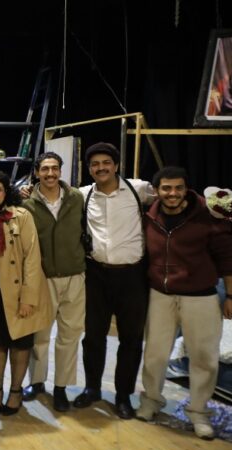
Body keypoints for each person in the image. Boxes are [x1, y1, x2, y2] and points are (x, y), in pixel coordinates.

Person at [136, 166, 232, 439]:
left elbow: (228, 257)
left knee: (204, 357)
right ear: (157, 191)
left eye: (178, 188)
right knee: (155, 354)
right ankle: (151, 400)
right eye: (166, 188)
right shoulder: (148, 217)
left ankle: (198, 411)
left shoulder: (208, 214)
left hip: (201, 296)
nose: (173, 193)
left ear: (186, 189)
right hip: (160, 295)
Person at [74, 142, 155, 420]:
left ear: (117, 165)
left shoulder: (138, 189)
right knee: (93, 336)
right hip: (96, 275)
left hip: (133, 276)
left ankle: (123, 395)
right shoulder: (83, 194)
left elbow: (170, 197)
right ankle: (92, 388)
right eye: (95, 164)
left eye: (106, 162)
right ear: (89, 169)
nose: (101, 168)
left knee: (131, 339)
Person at [0, 170, 51, 417]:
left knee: (20, 345)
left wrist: (28, 298)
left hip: (18, 293)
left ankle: (15, 392)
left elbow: (32, 259)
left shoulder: (21, 216)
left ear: (7, 192)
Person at [20, 153, 86, 412]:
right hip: (43, 277)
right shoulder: (27, 203)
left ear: (61, 170)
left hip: (74, 275)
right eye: (45, 169)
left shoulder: (76, 198)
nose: (50, 173)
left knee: (70, 335)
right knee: (40, 335)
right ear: (37, 172)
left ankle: (61, 387)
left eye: (55, 168)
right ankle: (37, 382)